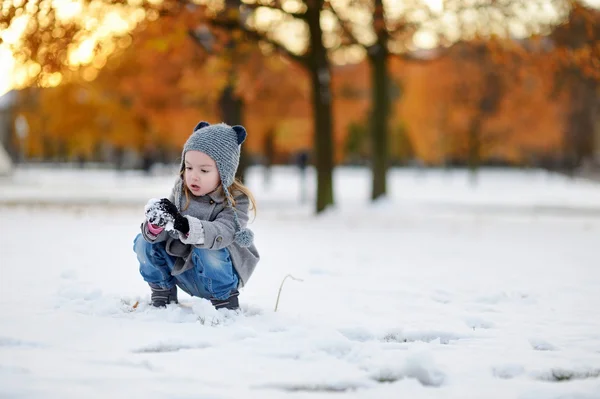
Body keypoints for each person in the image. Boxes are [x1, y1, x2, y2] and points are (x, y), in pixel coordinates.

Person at [133, 121, 259, 310]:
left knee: (207, 245)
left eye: (204, 170)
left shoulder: (235, 201)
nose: (193, 176)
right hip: (185, 271)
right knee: (143, 242)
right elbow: (165, 232)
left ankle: (225, 300)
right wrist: (157, 225)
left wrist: (185, 225)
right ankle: (162, 290)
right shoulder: (180, 191)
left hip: (219, 275)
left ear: (224, 172)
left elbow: (223, 231)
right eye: (189, 168)